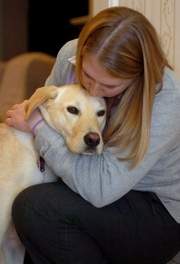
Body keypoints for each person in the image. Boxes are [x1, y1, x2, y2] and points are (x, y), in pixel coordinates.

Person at [5, 6, 180, 264]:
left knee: (37, 208)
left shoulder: (167, 97)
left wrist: (37, 125)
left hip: (155, 210)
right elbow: (47, 112)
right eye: (86, 75)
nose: (93, 88)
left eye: (109, 86)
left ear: (137, 75)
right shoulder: (69, 56)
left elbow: (100, 188)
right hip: (91, 182)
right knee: (29, 213)